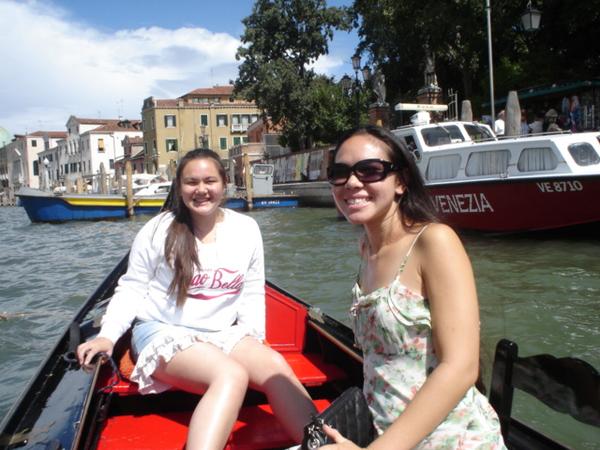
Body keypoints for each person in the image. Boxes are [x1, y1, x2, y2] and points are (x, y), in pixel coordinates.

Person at [77, 148, 315, 449]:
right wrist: (108, 336)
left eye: (209, 181)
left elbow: (252, 290)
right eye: (191, 182)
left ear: (224, 184)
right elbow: (132, 288)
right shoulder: (157, 230)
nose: (201, 189)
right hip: (162, 330)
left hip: (223, 332)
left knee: (275, 366)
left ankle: (323, 444)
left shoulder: (246, 229)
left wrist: (255, 338)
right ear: (179, 188)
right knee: (230, 375)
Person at [321, 126, 505, 449]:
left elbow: (461, 366)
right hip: (387, 435)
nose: (351, 182)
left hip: (451, 438)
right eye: (340, 173)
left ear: (401, 182)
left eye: (369, 170)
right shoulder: (367, 250)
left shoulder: (434, 241)